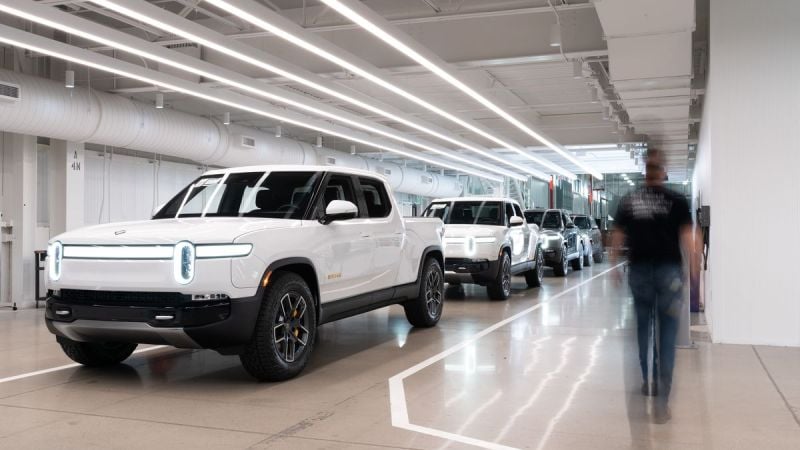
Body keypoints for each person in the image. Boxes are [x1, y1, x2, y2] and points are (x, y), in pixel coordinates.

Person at [611, 148, 697, 424]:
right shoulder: (676, 200)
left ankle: (647, 381)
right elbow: (688, 236)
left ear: (646, 170)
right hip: (668, 273)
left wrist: (615, 264)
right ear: (663, 171)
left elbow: (617, 235)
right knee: (667, 335)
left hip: (639, 272)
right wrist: (695, 266)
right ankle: (661, 403)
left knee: (644, 328)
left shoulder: (630, 200)